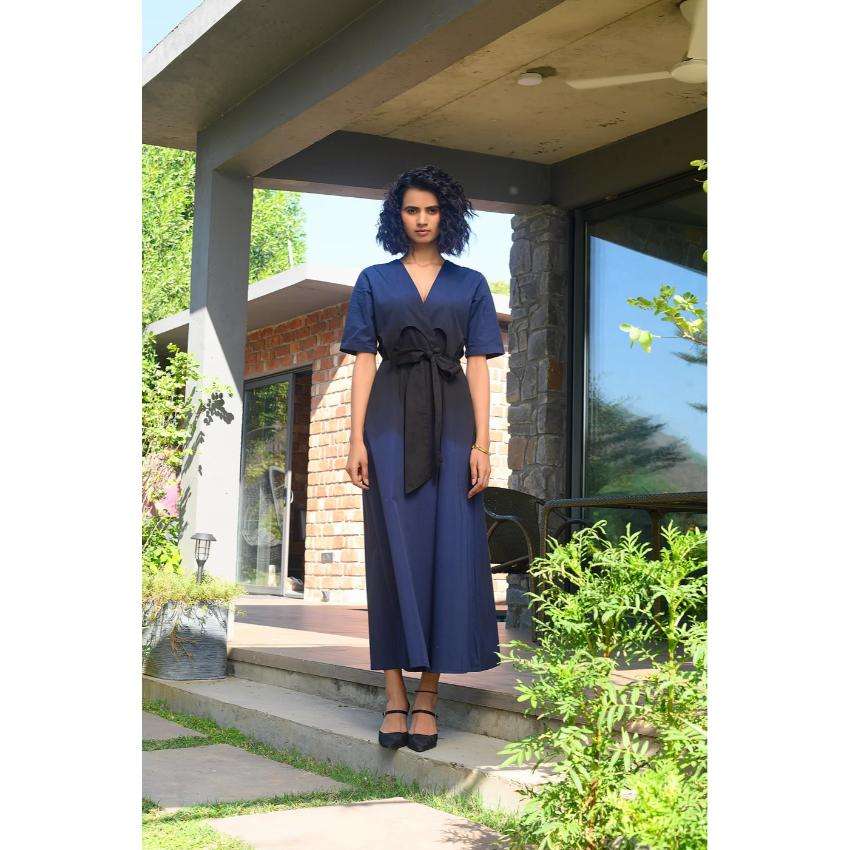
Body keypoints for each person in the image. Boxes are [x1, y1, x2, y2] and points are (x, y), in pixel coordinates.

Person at [339, 165, 505, 752]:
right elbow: (363, 361)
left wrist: (482, 444)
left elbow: (479, 367)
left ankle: (429, 696)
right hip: (388, 423)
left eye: (432, 210)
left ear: (447, 216)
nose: (422, 220)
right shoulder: (373, 280)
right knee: (392, 552)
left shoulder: (472, 284)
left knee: (448, 553)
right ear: (398, 216)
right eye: (412, 210)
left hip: (453, 425)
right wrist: (355, 440)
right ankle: (393, 695)